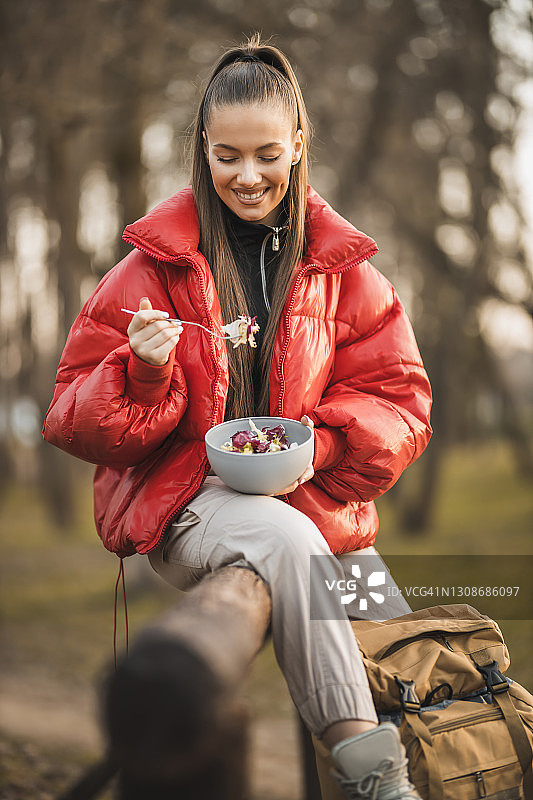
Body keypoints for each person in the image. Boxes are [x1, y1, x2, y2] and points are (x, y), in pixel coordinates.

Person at [43, 35, 432, 800]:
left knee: (392, 625)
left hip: (309, 505)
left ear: (296, 146)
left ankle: (451, 767)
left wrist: (317, 448)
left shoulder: (343, 274)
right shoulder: (147, 270)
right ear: (201, 148)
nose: (247, 177)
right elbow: (69, 419)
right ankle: (376, 781)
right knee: (289, 541)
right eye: (226, 156)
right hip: (190, 509)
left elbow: (402, 406)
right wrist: (143, 370)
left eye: (265, 154)